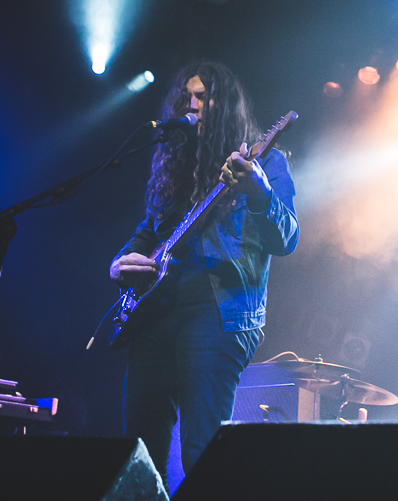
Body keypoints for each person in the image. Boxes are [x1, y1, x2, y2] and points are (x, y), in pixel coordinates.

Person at [110, 62, 298, 483]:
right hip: (156, 313)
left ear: (225, 105)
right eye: (187, 97)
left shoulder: (266, 161)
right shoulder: (173, 164)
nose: (192, 105)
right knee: (137, 452)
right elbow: (147, 233)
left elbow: (286, 239)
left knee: (201, 450)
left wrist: (259, 190)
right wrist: (120, 262)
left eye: (203, 97)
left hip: (219, 313)